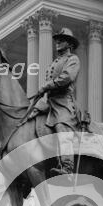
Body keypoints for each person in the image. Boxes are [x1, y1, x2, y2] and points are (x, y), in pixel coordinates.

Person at [31, 28, 82, 176]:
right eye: (57, 40)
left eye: (62, 40)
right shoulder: (56, 62)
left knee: (61, 127)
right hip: (50, 101)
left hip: (63, 102)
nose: (58, 42)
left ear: (69, 44)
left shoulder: (72, 59)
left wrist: (47, 86)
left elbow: (67, 77)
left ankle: (67, 167)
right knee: (30, 118)